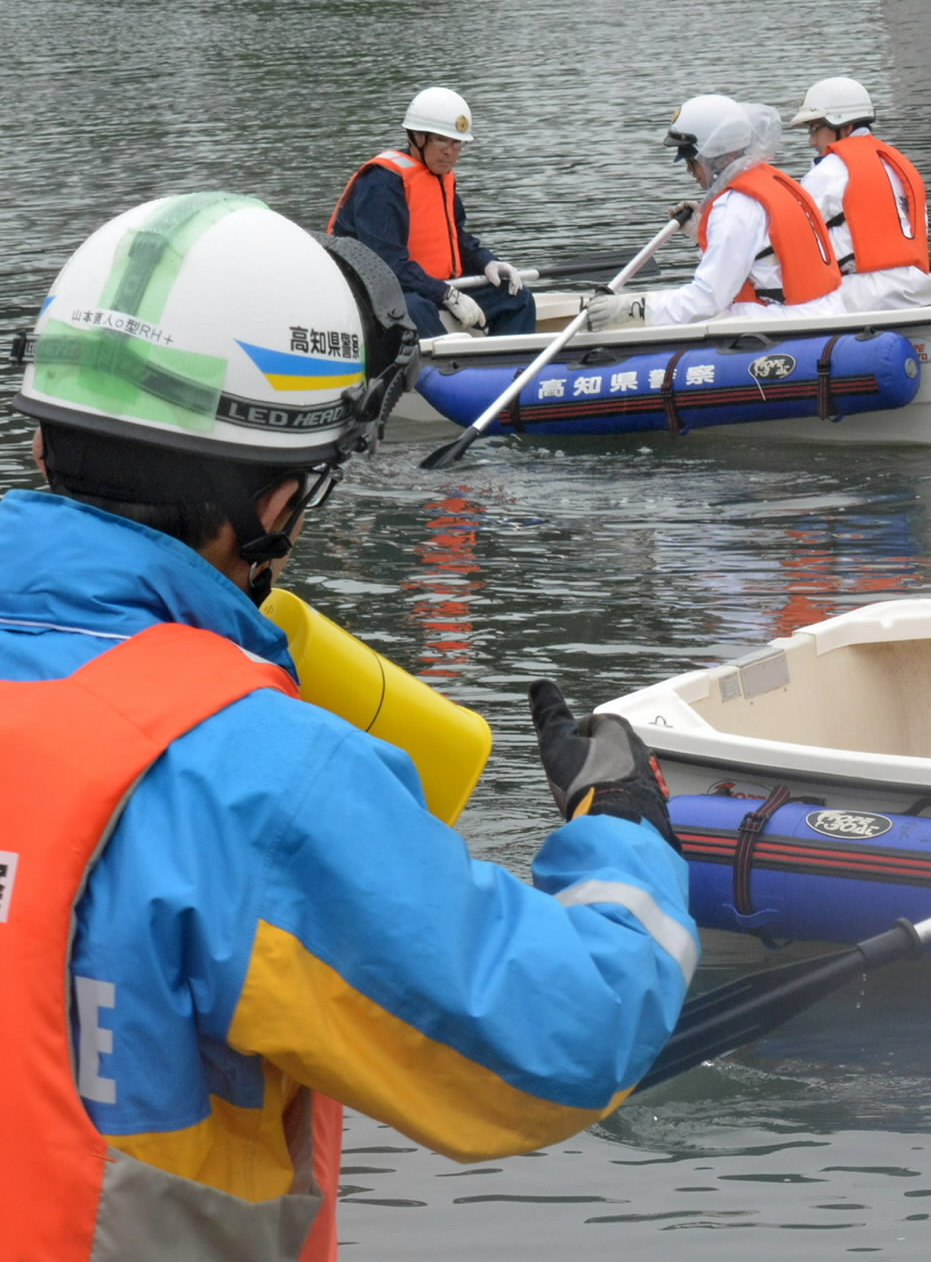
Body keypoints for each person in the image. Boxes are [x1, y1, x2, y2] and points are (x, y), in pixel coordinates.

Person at [1, 193, 697, 1260]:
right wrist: (622, 835)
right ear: (276, 505)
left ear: (45, 435)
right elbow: (561, 1035)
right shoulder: (256, 777)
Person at [586, 94, 845, 330]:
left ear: (715, 155)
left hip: (783, 324)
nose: (689, 171)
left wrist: (632, 310)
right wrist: (702, 234)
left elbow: (707, 298)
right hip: (819, 313)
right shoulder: (774, 181)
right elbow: (760, 258)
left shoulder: (735, 205)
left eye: (690, 160)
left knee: (697, 317)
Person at [328, 86, 537, 339]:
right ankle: (447, 372)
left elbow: (456, 237)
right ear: (417, 137)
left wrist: (487, 261)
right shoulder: (382, 184)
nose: (450, 151)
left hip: (431, 284)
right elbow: (387, 263)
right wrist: (445, 294)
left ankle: (509, 366)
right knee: (417, 310)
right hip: (386, 289)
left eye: (457, 142)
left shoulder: (441, 177)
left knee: (516, 298)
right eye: (441, 140)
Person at [788, 75, 931, 310]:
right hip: (919, 288)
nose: (811, 141)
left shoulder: (826, 172)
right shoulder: (898, 164)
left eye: (814, 128)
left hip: (860, 297)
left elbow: (798, 242)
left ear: (845, 126)